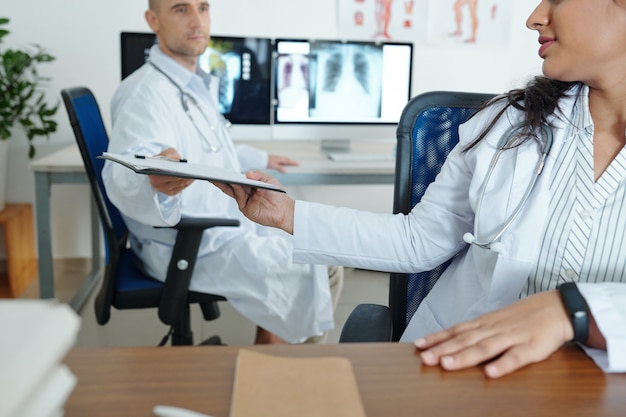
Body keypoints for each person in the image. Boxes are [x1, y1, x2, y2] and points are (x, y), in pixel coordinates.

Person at [213, 0, 626, 375]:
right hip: (472, 367)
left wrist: (571, 311)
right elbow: (418, 241)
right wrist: (287, 214)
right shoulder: (508, 124)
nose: (534, 16)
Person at [102, 0, 343, 345]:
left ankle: (270, 364)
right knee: (318, 263)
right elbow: (123, 170)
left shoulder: (189, 83)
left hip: (217, 227)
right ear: (153, 20)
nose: (197, 20)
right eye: (181, 9)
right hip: (185, 245)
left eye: (203, 7)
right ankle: (276, 378)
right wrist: (154, 180)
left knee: (313, 245)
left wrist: (259, 155)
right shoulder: (145, 94)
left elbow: (207, 148)